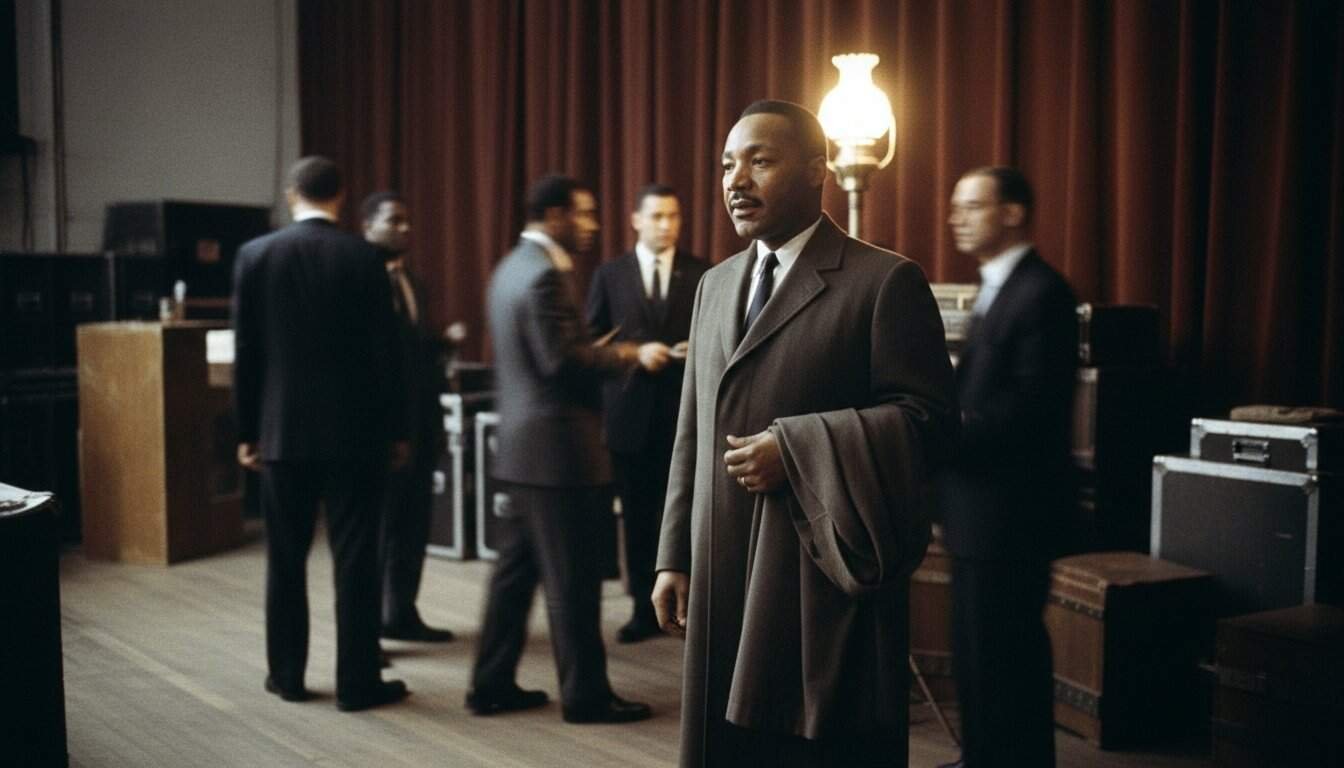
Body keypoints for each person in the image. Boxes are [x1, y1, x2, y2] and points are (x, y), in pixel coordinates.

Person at [651, 100, 958, 767]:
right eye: (728, 164)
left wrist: (795, 449)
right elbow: (690, 434)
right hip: (721, 569)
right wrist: (673, 554)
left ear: (817, 169)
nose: (736, 181)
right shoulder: (713, 285)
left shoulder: (885, 281)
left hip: (817, 581)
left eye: (760, 160)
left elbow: (930, 425)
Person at [467, 174, 660, 724]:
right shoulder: (546, 276)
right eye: (584, 213)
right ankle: (586, 697)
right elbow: (561, 361)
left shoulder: (509, 268)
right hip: (559, 455)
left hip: (522, 452)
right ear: (554, 216)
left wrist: (588, 349)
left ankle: (490, 683)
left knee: (513, 578)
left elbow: (544, 355)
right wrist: (630, 355)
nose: (594, 225)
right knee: (572, 585)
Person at [233, 156, 409, 712]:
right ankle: (358, 683)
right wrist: (397, 430)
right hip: (356, 436)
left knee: (284, 558)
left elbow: (247, 353)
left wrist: (247, 430)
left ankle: (286, 676)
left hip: (282, 432)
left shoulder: (255, 255)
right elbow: (387, 356)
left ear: (291, 195)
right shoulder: (364, 257)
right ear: (342, 194)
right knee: (356, 559)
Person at [936, 166, 1078, 768]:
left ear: (1014, 213)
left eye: (972, 206)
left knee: (1006, 657)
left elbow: (1031, 407)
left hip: (1011, 513)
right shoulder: (1000, 287)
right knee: (977, 654)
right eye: (955, 207)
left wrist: (943, 428)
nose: (956, 217)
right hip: (976, 510)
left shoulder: (1042, 292)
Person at [586, 184, 708, 644]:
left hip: (686, 417)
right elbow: (591, 345)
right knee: (638, 521)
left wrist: (701, 348)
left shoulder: (704, 273)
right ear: (636, 220)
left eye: (673, 216)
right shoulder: (610, 275)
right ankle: (642, 608)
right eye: (656, 216)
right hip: (630, 418)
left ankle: (691, 609)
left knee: (685, 519)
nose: (666, 225)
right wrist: (635, 353)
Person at [360, 191, 456, 644]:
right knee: (380, 531)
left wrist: (442, 344)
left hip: (421, 424)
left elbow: (412, 353)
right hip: (379, 433)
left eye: (407, 221)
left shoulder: (414, 282)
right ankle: (370, 631)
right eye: (394, 221)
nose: (405, 229)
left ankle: (403, 613)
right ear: (367, 228)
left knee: (414, 525)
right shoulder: (360, 280)